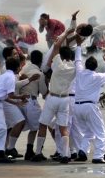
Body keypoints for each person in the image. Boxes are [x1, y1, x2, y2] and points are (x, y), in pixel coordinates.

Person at [31, 29, 75, 164]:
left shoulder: (58, 65)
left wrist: (66, 33)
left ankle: (38, 152)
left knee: (43, 124)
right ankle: (65, 155)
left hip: (53, 97)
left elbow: (56, 46)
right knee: (63, 128)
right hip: (65, 99)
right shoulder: (74, 68)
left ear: (61, 56)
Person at [73, 40, 105, 164]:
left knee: (88, 133)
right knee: (101, 133)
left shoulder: (80, 73)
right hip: (89, 107)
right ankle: (98, 156)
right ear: (96, 67)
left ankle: (83, 152)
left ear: (85, 65)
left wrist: (79, 46)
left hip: (77, 106)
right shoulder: (97, 77)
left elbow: (77, 60)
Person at [0, 57, 29, 163]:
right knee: (1, 128)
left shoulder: (3, 76)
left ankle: (1, 153)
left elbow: (5, 97)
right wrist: (20, 97)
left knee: (3, 128)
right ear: (17, 67)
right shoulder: (11, 77)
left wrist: (17, 103)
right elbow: (10, 95)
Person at [19, 50, 48, 160]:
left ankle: (28, 150)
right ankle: (35, 151)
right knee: (39, 126)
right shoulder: (39, 74)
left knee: (29, 127)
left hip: (21, 100)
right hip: (31, 100)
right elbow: (44, 91)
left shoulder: (24, 68)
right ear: (41, 60)